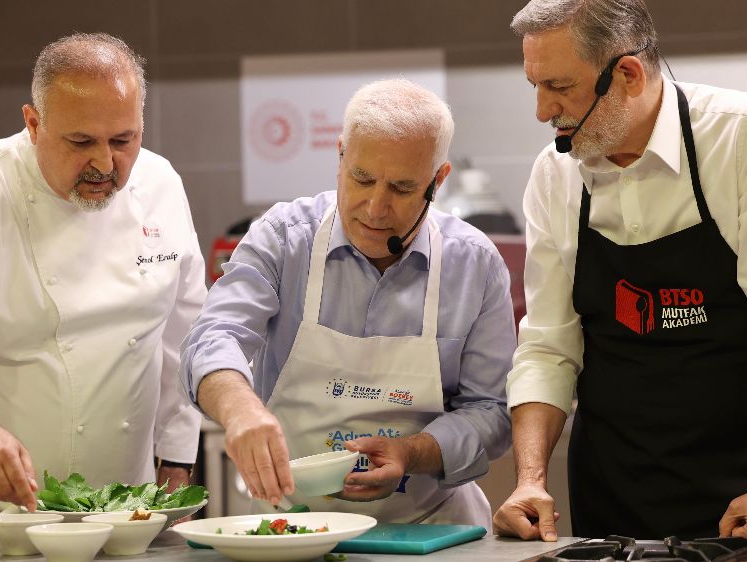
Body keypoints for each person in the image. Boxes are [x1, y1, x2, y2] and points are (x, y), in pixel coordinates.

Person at [493, 0, 747, 545]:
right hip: (611, 491)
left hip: (746, 490)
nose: (540, 110)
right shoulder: (554, 174)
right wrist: (529, 480)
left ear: (627, 74)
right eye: (533, 85)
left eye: (557, 86)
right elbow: (549, 346)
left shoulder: (743, 135)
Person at [0, 32, 207, 518]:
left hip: (117, 512)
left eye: (124, 141)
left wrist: (178, 461)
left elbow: (183, 339)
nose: (105, 163)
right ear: (34, 124)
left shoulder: (161, 184)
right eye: (81, 142)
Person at [179, 78, 514, 529]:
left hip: (428, 531)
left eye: (400, 187)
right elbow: (214, 336)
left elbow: (491, 410)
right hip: (293, 528)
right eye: (361, 178)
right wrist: (241, 410)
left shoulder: (473, 265)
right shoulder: (283, 240)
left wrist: (412, 453)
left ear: (437, 181)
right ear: (340, 156)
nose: (375, 208)